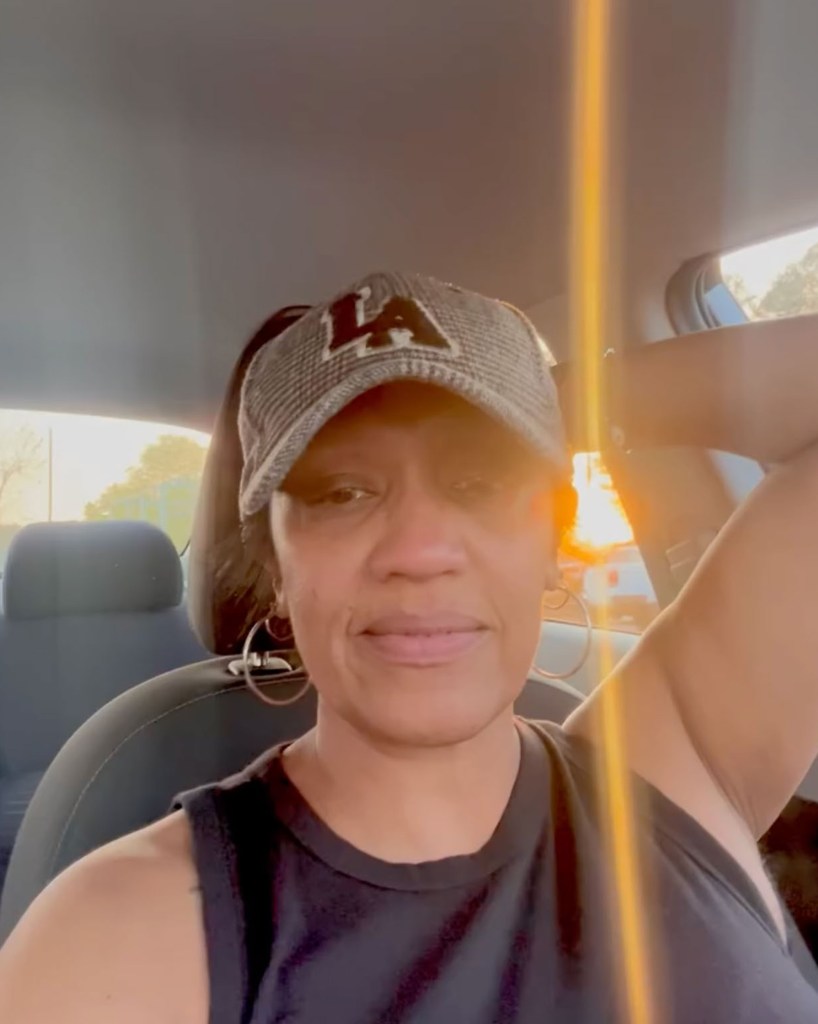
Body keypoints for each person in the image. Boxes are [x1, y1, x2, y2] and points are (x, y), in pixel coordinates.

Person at [1, 270, 818, 1023]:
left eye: (480, 482)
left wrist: (555, 400)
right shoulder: (123, 934)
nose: (420, 550)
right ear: (276, 569)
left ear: (554, 540)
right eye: (343, 492)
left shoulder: (675, 768)